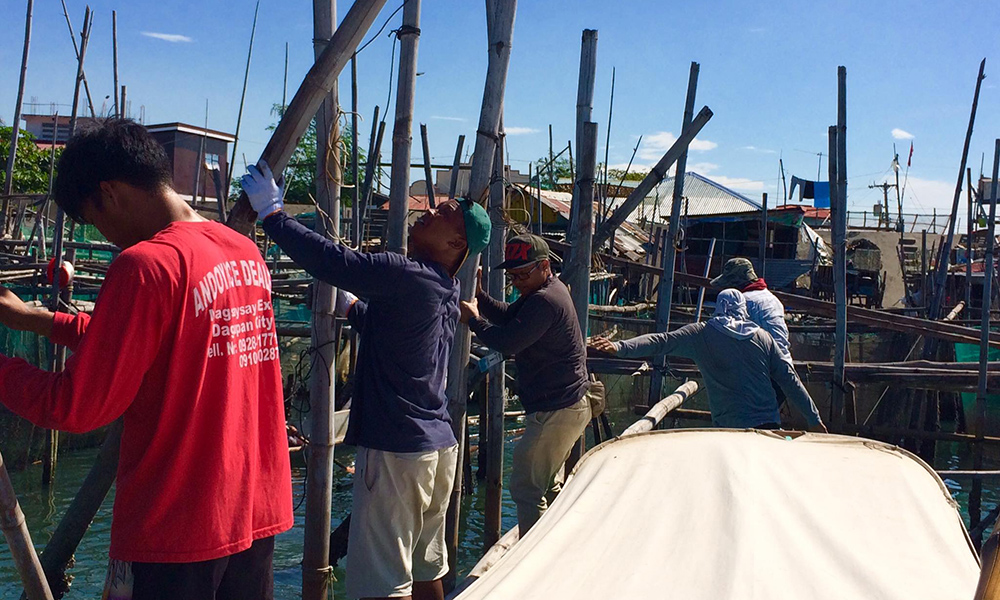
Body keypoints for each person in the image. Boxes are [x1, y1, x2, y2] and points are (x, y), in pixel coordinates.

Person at [0, 119, 292, 600]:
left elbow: (78, 407)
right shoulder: (243, 253)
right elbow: (170, 344)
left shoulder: (144, 265)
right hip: (254, 513)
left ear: (109, 193)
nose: (105, 234)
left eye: (95, 219)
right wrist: (37, 319)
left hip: (176, 528)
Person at [241, 162, 490, 600]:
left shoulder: (407, 273)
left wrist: (274, 216)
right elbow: (389, 331)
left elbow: (337, 262)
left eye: (444, 212)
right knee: (425, 566)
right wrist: (352, 306)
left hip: (399, 448)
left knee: (384, 580)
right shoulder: (443, 289)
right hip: (438, 448)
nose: (429, 211)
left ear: (455, 242)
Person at [458, 234, 590, 533]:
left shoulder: (545, 300)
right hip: (566, 407)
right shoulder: (548, 290)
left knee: (526, 489)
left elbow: (508, 341)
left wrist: (474, 320)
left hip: (556, 409)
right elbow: (509, 316)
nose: (516, 281)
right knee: (549, 484)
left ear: (544, 266)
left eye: (521, 274)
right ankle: (561, 542)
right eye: (512, 275)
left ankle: (537, 560)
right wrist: (480, 296)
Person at [590, 289, 826, 432]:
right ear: (744, 310)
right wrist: (813, 419)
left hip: (730, 427)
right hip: (769, 426)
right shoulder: (763, 337)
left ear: (717, 308)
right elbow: (789, 380)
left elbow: (660, 341)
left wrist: (619, 347)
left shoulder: (701, 334)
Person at [711, 258, 791, 360]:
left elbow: (728, 336)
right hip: (783, 359)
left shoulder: (742, 301)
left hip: (760, 363)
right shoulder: (772, 298)